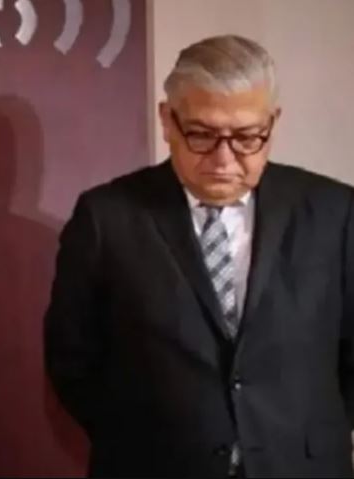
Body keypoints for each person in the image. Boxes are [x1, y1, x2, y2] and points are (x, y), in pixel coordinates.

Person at [44, 34, 354, 478]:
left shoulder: (335, 212)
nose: (224, 159)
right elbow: (72, 358)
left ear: (273, 122)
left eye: (247, 137)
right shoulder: (106, 217)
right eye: (202, 135)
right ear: (167, 120)